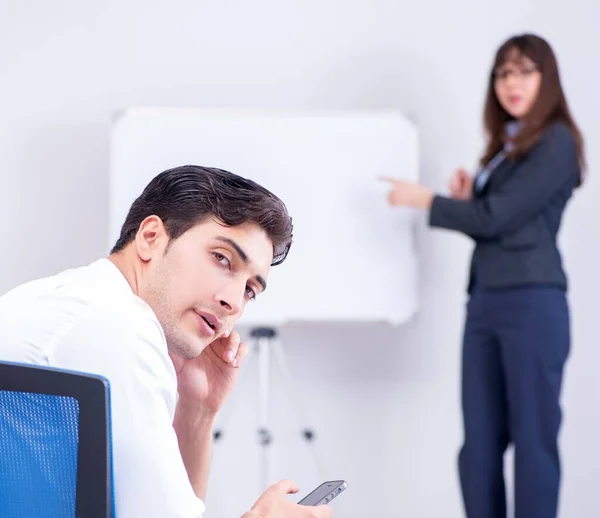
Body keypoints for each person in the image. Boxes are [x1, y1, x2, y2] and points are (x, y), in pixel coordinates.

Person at [0, 165, 333, 518]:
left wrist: (198, 408)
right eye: (222, 259)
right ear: (150, 238)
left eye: (250, 290)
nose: (234, 302)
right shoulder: (119, 328)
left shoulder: (67, 299)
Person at [381, 34, 584, 518]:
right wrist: (471, 199)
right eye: (503, 73)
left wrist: (428, 200)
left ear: (547, 80)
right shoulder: (507, 147)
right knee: (479, 446)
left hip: (532, 302)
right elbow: (499, 218)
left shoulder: (555, 141)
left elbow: (499, 219)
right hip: (488, 302)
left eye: (524, 72)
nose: (512, 84)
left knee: (533, 442)